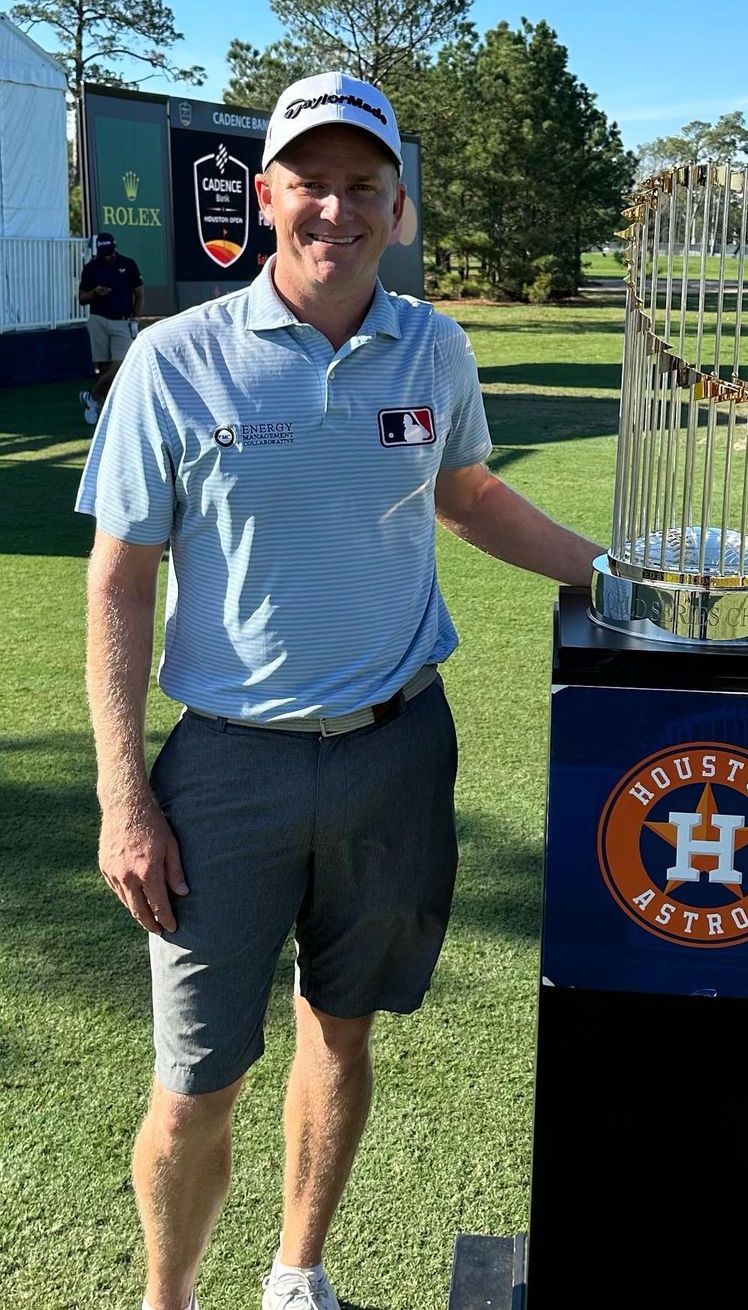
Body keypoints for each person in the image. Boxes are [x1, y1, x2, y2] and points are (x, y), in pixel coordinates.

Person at [75, 71, 602, 1310]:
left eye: (363, 185)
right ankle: (170, 1298)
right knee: (196, 1080)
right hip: (226, 771)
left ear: (399, 208)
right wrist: (122, 798)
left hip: (395, 749)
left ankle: (295, 1275)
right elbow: (117, 581)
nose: (336, 208)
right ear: (266, 198)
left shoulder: (433, 345)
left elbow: (468, 495)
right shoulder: (174, 360)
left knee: (341, 1029)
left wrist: (619, 575)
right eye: (310, 182)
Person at [77, 232, 144, 424]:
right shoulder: (91, 268)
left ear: (114, 247)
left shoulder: (128, 264)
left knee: (121, 363)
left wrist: (136, 318)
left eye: (109, 251)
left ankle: (92, 396)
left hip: (123, 320)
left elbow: (139, 294)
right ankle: (105, 411)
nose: (106, 255)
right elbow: (82, 298)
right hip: (98, 319)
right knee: (104, 366)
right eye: (103, 252)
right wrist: (95, 293)